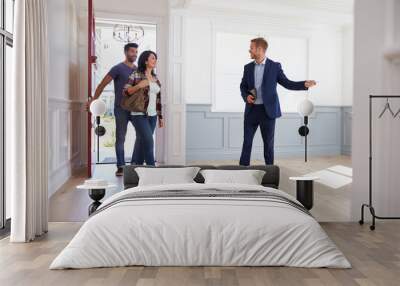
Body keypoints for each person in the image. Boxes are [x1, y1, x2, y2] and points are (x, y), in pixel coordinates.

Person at [239, 37, 316, 166]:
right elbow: (243, 86)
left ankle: (270, 171)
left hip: (267, 112)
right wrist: (246, 96)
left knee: (268, 144)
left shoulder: (274, 67)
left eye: (251, 48)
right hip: (251, 111)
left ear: (259, 49)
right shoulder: (247, 68)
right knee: (247, 142)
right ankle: (242, 170)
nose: (249, 50)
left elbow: (287, 83)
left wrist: (304, 84)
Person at [86, 43, 138, 176]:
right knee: (121, 138)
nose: (135, 54)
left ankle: (135, 165)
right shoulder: (117, 68)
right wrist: (93, 100)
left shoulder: (138, 70)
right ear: (126, 52)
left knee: (142, 136)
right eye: (132, 51)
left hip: (136, 109)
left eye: (136, 52)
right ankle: (121, 166)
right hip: (120, 109)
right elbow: (102, 84)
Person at [123, 50, 164, 166]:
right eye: (152, 58)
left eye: (155, 58)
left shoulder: (155, 78)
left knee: (141, 142)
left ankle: (135, 169)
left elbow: (158, 99)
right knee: (149, 142)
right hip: (139, 114)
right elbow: (125, 91)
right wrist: (139, 85)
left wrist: (160, 117)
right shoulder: (136, 74)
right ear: (145, 61)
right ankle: (152, 170)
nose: (155, 60)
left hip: (152, 116)